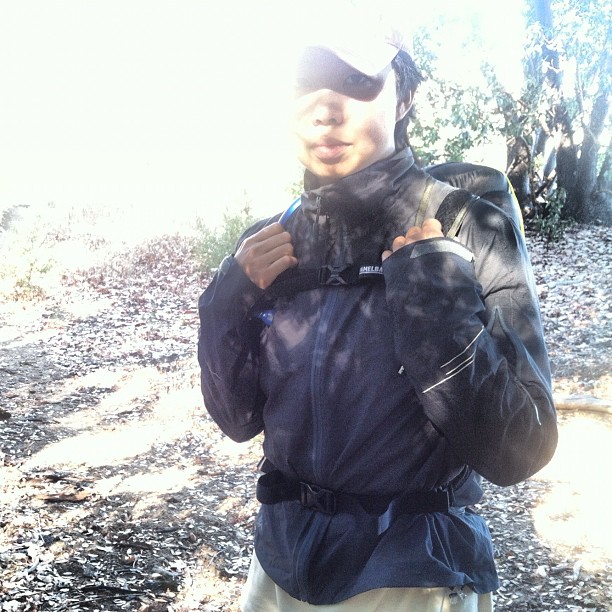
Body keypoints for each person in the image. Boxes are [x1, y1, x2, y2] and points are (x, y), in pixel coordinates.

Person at [197, 13, 558, 611]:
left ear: (404, 97)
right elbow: (237, 420)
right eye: (304, 82)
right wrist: (225, 303)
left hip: (411, 572)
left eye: (355, 81)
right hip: (280, 568)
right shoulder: (270, 242)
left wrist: (435, 306)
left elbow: (522, 447)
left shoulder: (469, 226)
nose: (324, 109)